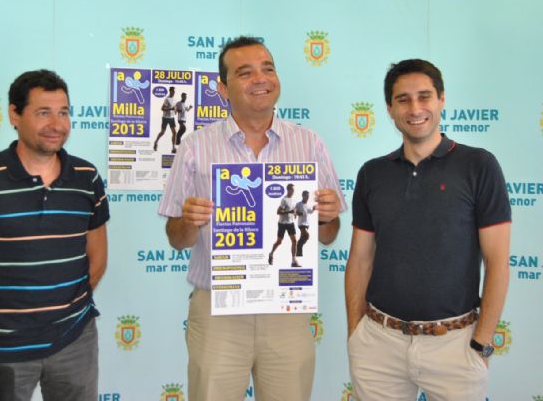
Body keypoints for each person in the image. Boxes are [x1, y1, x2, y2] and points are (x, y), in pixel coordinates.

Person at [158, 36, 346, 401]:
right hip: (219, 312)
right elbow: (176, 239)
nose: (260, 79)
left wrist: (327, 217)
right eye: (245, 73)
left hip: (286, 310)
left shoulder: (310, 144)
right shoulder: (195, 146)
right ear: (223, 88)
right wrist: (189, 221)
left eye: (268, 69)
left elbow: (328, 235)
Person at [0, 69, 110, 401]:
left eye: (63, 112)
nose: (57, 124)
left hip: (75, 342)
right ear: (14, 114)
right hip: (2, 347)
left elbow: (97, 257)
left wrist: (66, 312)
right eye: (43, 113)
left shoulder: (86, 178)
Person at [345, 59, 511, 401]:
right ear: (389, 109)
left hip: (456, 345)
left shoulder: (479, 165)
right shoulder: (372, 173)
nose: (415, 108)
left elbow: (497, 262)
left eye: (424, 96)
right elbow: (360, 259)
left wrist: (481, 343)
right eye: (403, 99)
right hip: (379, 344)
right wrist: (355, 335)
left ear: (441, 99)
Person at [268, 183, 299, 267]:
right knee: (279, 242)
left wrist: (295, 213)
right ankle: (271, 254)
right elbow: (278, 212)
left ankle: (293, 261)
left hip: (290, 223)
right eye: (292, 190)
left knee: (294, 241)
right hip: (282, 224)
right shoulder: (284, 200)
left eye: (294, 190)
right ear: (288, 190)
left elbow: (293, 209)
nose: (293, 191)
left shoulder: (294, 200)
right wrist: (289, 212)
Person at [153, 86, 177, 153]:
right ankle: (156, 142)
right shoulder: (167, 99)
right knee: (162, 132)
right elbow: (162, 108)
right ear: (170, 91)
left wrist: (175, 111)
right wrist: (171, 109)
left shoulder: (174, 99)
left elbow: (174, 107)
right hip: (165, 118)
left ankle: (173, 148)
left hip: (172, 118)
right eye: (173, 91)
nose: (174, 92)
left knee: (174, 132)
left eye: (174, 91)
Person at [295, 190, 316, 257]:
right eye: (306, 196)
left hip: (307, 224)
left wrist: (313, 209)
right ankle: (298, 245)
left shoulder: (308, 205)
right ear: (303, 196)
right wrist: (298, 213)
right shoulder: (298, 204)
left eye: (308, 196)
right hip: (301, 224)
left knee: (303, 237)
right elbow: (294, 212)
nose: (307, 197)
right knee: (307, 236)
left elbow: (310, 211)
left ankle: (299, 253)